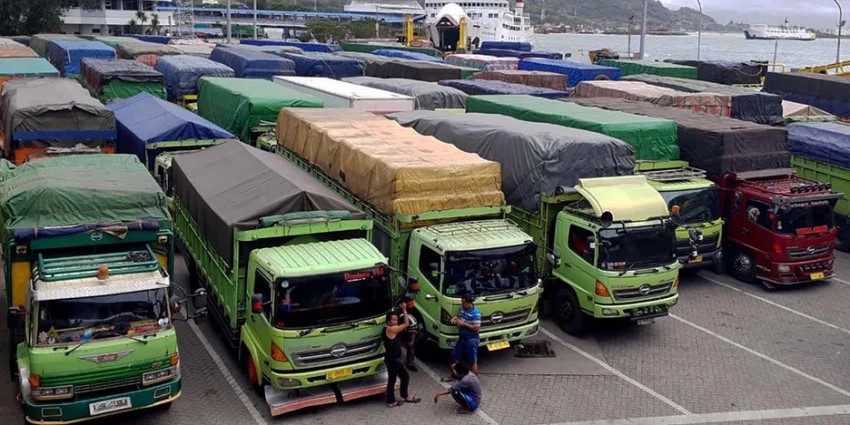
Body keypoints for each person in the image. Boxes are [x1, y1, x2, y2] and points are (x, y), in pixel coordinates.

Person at [382, 302, 421, 407]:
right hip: (394, 359)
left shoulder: (386, 329)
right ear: (388, 321)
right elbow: (406, 324)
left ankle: (392, 400)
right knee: (404, 376)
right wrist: (404, 310)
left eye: (396, 319)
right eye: (393, 320)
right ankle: (403, 397)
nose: (395, 321)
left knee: (393, 379)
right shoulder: (392, 329)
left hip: (391, 358)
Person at [447, 294, 481, 378]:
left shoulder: (475, 313)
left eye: (464, 303)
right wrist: (455, 319)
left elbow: (476, 328)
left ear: (469, 303)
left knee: (472, 360)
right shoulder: (462, 309)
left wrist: (463, 324)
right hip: (462, 337)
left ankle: (474, 378)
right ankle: (454, 375)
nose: (462, 305)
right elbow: (460, 318)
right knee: (454, 356)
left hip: (471, 338)